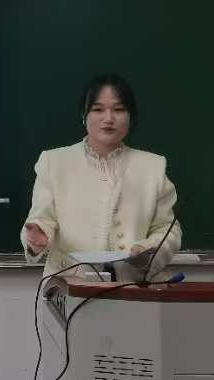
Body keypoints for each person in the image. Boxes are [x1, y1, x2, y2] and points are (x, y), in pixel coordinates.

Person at [20, 73, 182, 278]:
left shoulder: (153, 166)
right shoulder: (54, 162)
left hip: (134, 285)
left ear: (131, 117)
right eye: (98, 109)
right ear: (84, 115)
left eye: (119, 110)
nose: (108, 119)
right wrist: (37, 236)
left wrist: (147, 249)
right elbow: (41, 218)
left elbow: (168, 229)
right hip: (69, 284)